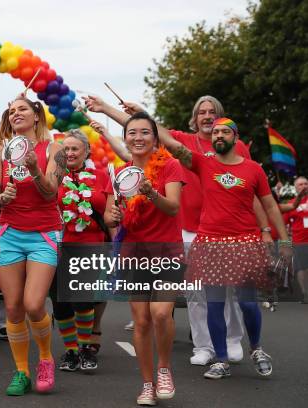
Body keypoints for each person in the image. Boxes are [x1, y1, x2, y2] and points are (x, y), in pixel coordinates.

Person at [85, 94, 256, 366]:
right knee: (196, 292)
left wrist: (263, 228)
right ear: (195, 117)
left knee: (227, 289)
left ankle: (232, 339)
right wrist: (107, 109)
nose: (208, 116)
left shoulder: (234, 147)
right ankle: (204, 346)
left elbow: (252, 189)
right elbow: (143, 132)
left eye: (213, 111)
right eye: (202, 111)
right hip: (187, 230)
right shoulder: (182, 142)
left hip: (225, 229)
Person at [153, 115, 292, 380]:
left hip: (244, 242)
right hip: (210, 242)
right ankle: (221, 359)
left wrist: (283, 240)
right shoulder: (203, 163)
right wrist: (146, 116)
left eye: (224, 132)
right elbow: (170, 143)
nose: (218, 136)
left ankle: (257, 349)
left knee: (248, 304)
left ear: (235, 138)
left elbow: (270, 205)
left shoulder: (253, 169)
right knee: (214, 304)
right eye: (215, 132)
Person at [104, 111, 184, 406]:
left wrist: (151, 194)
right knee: (141, 322)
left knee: (161, 313)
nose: (138, 138)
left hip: (167, 250)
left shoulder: (170, 166)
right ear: (125, 138)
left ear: (154, 137)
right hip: (133, 253)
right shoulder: (118, 173)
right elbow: (110, 217)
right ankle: (147, 384)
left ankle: (164, 369)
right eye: (132, 133)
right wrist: (111, 217)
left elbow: (173, 208)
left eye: (145, 132)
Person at [0, 96, 66, 396]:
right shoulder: (1, 152)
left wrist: (34, 169)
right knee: (13, 307)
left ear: (37, 116)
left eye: (21, 109)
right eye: (11, 111)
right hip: (9, 232)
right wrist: (1, 197)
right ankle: (21, 371)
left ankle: (45, 358)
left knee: (34, 304)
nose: (15, 113)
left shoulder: (54, 149)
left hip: (43, 234)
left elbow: (51, 194)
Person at [50, 129, 112, 373]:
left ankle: (85, 347)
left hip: (93, 246)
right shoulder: (55, 177)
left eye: (75, 148)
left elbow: (111, 214)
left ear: (87, 151)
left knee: (83, 301)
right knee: (60, 303)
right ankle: (71, 351)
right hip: (59, 247)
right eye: (66, 149)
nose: (70, 153)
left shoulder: (102, 176)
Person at [280, 176, 308, 303]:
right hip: (299, 241)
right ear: (296, 187)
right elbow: (283, 224)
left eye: (306, 184)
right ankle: (305, 294)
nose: (304, 186)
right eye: (300, 184)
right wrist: (285, 244)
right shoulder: (290, 204)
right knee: (301, 268)